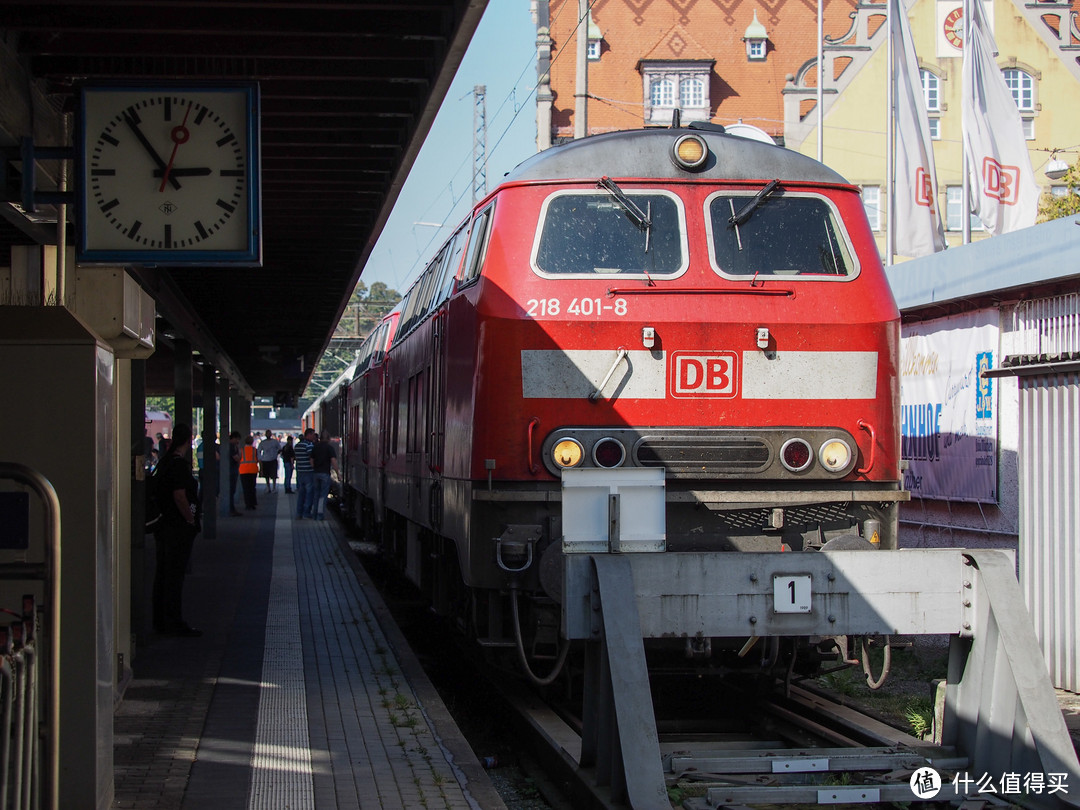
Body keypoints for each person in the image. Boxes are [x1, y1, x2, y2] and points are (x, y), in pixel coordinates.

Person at [152, 423, 202, 638]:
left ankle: (160, 620)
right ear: (188, 440)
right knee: (174, 575)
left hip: (163, 525)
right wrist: (190, 520)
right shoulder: (179, 465)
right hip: (178, 527)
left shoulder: (163, 463)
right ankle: (174, 621)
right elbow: (179, 495)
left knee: (163, 573)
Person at [310, 430, 340, 520]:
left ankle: (314, 514)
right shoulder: (329, 448)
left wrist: (314, 467)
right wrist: (338, 473)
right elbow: (333, 461)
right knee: (323, 495)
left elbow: (311, 460)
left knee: (316, 494)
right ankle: (320, 514)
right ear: (328, 439)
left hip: (316, 473)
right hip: (325, 474)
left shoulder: (315, 447)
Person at [294, 428, 316, 519]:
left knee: (301, 493)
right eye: (313, 435)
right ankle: (306, 513)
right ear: (309, 435)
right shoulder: (309, 445)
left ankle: (299, 512)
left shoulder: (298, 445)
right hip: (308, 472)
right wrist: (315, 468)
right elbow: (311, 458)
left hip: (300, 472)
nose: (314, 437)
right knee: (309, 493)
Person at [257, 429, 282, 493]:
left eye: (269, 433)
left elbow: (279, 449)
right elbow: (259, 450)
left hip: (273, 459)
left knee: (274, 475)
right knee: (266, 475)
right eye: (267, 433)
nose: (268, 435)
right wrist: (261, 458)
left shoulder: (275, 442)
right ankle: (268, 487)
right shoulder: (263, 442)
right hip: (265, 460)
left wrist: (276, 454)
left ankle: (274, 487)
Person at [239, 434, 259, 509]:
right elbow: (258, 460)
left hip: (243, 471)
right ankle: (252, 503)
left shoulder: (241, 450)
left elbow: (239, 459)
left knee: (246, 488)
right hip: (253, 470)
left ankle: (247, 504)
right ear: (252, 442)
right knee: (252, 488)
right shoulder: (255, 450)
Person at [227, 431, 242, 516]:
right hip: (232, 470)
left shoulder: (229, 446)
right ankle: (231, 509)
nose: (238, 441)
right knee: (231, 490)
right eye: (237, 439)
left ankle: (231, 508)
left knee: (232, 490)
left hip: (232, 470)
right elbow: (237, 458)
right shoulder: (232, 446)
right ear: (234, 438)